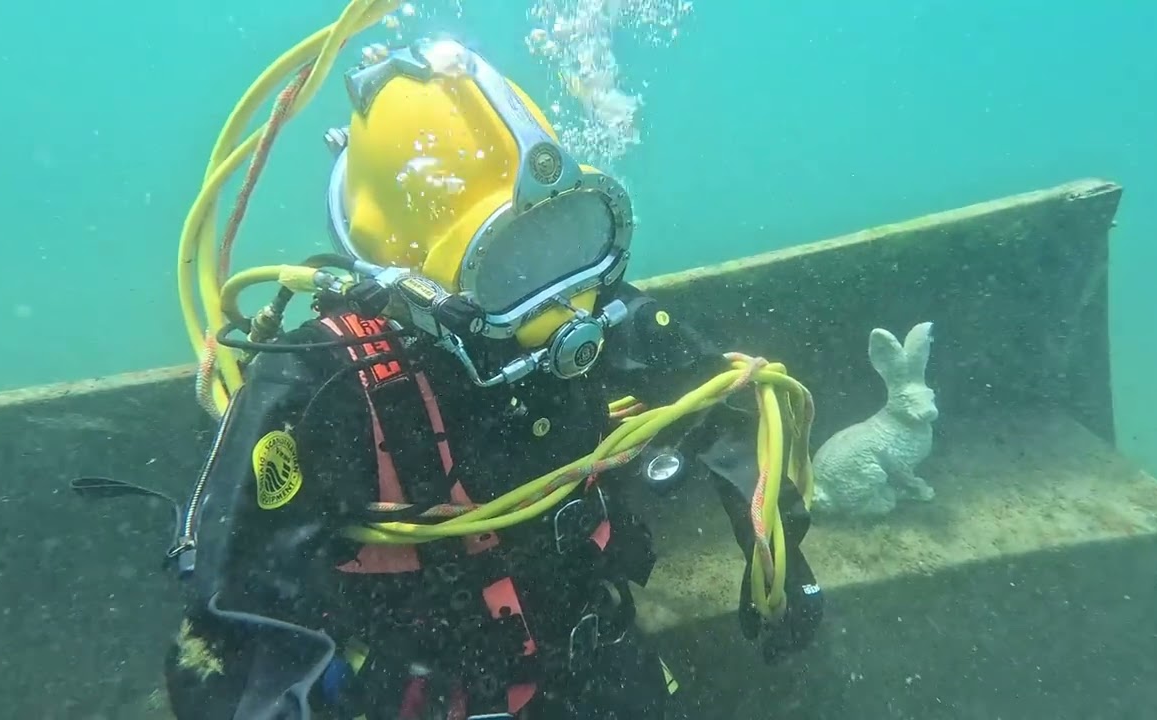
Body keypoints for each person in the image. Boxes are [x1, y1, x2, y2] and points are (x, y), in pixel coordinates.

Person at [162, 35, 823, 720]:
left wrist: (778, 562)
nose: (566, 304)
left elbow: (726, 409)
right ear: (414, 280)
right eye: (510, 264)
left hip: (599, 655)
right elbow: (229, 636)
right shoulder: (320, 391)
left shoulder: (604, 313)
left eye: (572, 238)